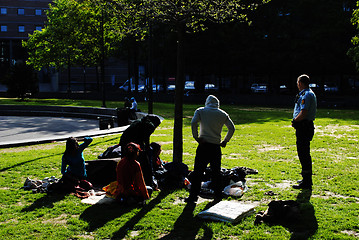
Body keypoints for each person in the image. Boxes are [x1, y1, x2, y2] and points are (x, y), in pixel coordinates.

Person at [185, 95, 235, 203]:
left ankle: (193, 196)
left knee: (198, 172)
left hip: (203, 145)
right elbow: (232, 128)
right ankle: (218, 195)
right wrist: (225, 141)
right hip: (216, 147)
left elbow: (193, 123)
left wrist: (196, 137)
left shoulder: (200, 111)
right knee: (216, 172)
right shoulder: (223, 114)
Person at [291, 74, 317, 189]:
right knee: (303, 153)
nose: (297, 85)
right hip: (305, 126)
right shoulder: (307, 94)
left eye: (298, 83)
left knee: (303, 153)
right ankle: (306, 178)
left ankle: (307, 181)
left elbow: (304, 112)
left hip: (304, 126)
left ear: (300, 83)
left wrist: (295, 121)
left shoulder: (306, 95)